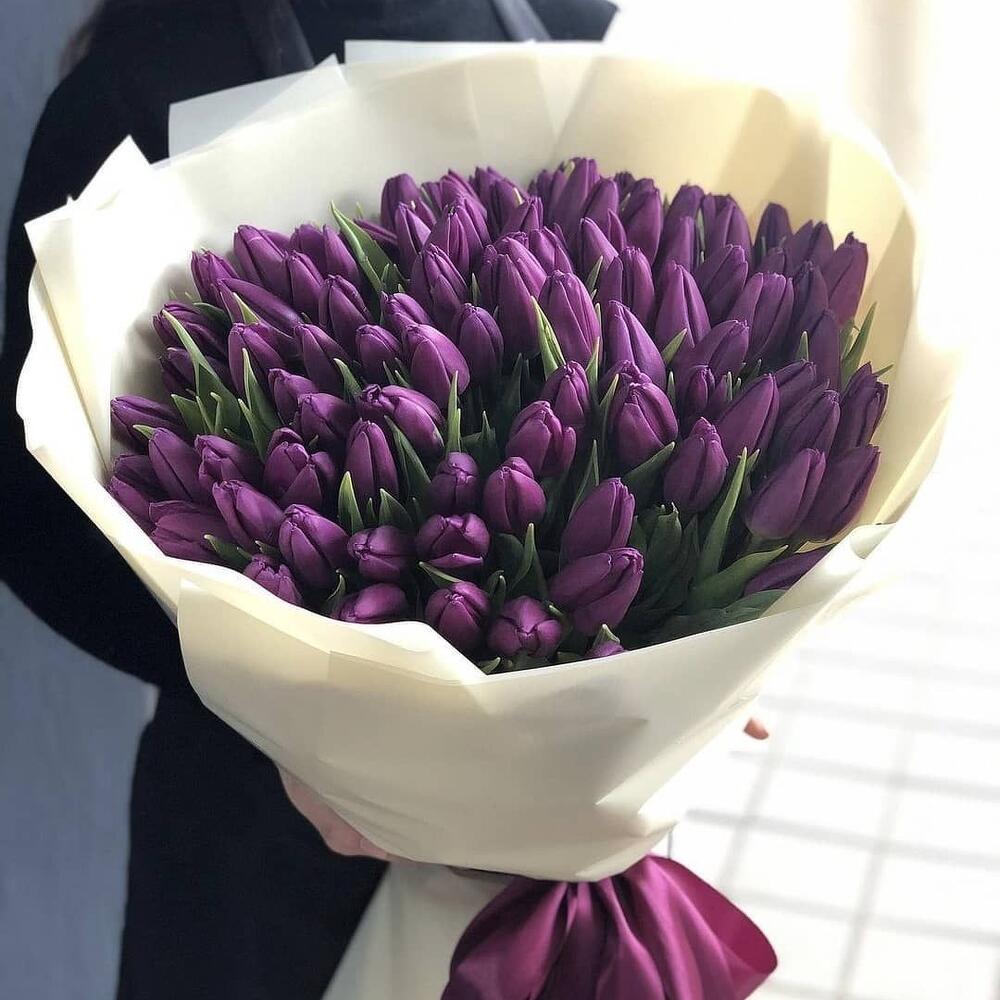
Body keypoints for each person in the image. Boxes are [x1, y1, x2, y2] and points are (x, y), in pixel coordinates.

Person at [0, 2, 617, 998]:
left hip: (558, 841)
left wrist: (699, 665)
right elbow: (32, 517)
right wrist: (284, 711)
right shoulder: (136, 91)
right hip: (259, 826)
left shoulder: (577, 21)